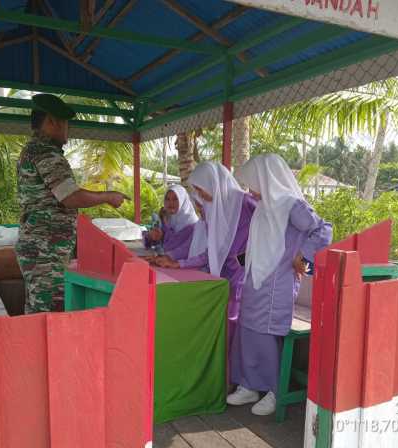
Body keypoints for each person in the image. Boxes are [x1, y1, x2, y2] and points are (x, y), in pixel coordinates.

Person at [228, 153, 333, 415]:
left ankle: (274, 391)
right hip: (257, 277)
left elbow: (323, 229)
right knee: (249, 330)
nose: (250, 189)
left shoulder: (291, 204)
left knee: (266, 333)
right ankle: (250, 385)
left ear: (266, 179)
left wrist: (304, 256)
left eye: (253, 183)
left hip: (278, 281)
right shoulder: (266, 205)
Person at [16, 93, 129, 313]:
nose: (68, 129)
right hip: (45, 251)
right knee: (49, 314)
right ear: (51, 121)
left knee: (37, 313)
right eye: (65, 123)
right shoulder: (45, 153)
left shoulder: (33, 150)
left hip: (40, 248)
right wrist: (108, 197)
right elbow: (70, 197)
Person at [156, 161, 256, 324]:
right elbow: (211, 253)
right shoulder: (214, 210)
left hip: (246, 281)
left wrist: (242, 260)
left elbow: (268, 236)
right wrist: (178, 264)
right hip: (224, 278)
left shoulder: (245, 203)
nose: (201, 197)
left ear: (213, 183)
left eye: (202, 191)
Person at [144, 185, 199, 261]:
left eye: (175, 199)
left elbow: (183, 249)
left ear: (182, 200)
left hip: (184, 268)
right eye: (167, 199)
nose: (170, 203)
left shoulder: (192, 223)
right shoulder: (168, 217)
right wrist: (151, 236)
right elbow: (151, 242)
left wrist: (163, 256)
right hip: (166, 264)